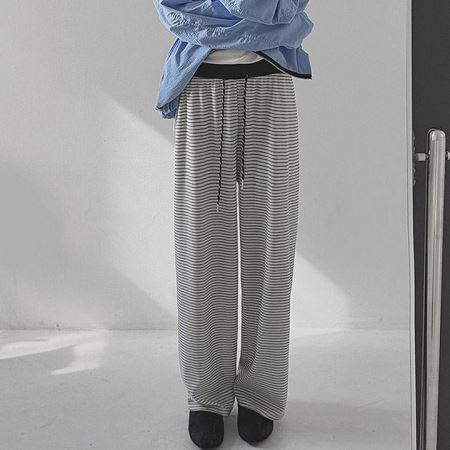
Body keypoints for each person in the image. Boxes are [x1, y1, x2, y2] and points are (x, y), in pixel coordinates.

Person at [152, 1, 314, 448]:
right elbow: (173, 9)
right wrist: (251, 14)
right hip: (199, 85)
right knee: (200, 248)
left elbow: (289, 8)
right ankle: (206, 395)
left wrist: (223, 10)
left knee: (272, 243)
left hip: (271, 84)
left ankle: (262, 392)